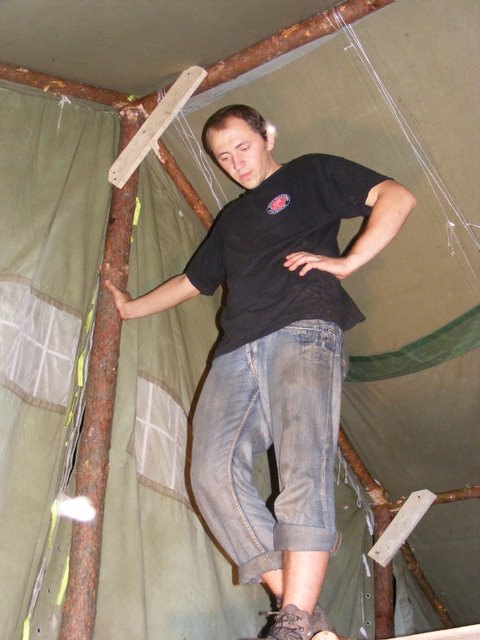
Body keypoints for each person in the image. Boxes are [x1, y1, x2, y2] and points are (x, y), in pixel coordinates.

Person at [106, 104, 416, 640]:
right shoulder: (230, 220)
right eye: (223, 157)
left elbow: (397, 196)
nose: (236, 163)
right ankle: (301, 615)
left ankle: (292, 622)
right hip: (235, 352)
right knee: (209, 474)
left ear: (267, 136)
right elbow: (193, 281)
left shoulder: (310, 173)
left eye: (243, 148)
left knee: (301, 468)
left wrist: (349, 261)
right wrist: (131, 309)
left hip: (303, 330)